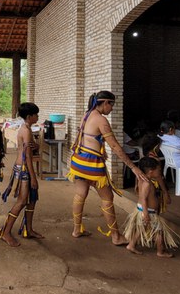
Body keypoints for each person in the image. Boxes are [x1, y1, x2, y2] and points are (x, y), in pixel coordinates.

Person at [67, 91, 146, 246]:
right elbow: (115, 146)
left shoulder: (87, 114)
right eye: (112, 105)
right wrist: (133, 167)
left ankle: (77, 229)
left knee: (80, 194)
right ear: (105, 103)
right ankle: (116, 236)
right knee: (107, 198)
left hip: (78, 162)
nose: (111, 109)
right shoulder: (101, 120)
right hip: (92, 165)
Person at [0, 103, 44, 247]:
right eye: (36, 115)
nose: (37, 117)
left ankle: (28, 229)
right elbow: (27, 156)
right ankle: (5, 232)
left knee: (32, 199)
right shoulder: (26, 130)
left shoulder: (26, 129)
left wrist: (35, 145)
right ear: (30, 116)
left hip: (24, 167)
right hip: (24, 168)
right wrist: (33, 177)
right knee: (22, 201)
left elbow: (29, 147)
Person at [124, 157, 179, 257]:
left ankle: (131, 245)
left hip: (144, 210)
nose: (160, 172)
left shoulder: (142, 179)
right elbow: (144, 198)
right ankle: (160, 252)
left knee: (141, 228)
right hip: (148, 212)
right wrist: (146, 213)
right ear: (151, 171)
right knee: (159, 231)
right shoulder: (147, 183)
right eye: (159, 170)